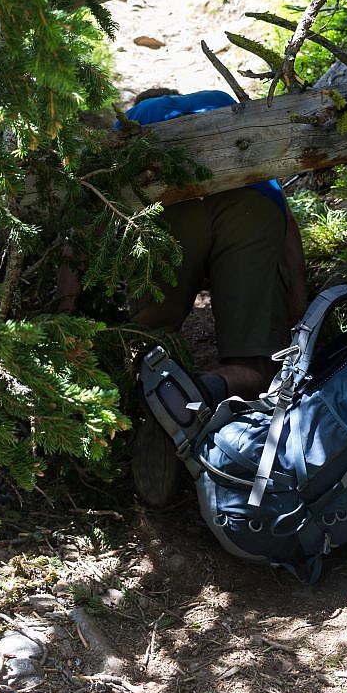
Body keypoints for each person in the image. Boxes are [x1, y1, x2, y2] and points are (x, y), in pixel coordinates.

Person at [120, 88, 308, 506]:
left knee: (145, 332)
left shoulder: (138, 118)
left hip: (165, 204)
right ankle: (201, 392)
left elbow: (90, 200)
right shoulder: (221, 104)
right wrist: (297, 303)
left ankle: (154, 386)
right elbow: (286, 219)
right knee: (258, 364)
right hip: (252, 204)